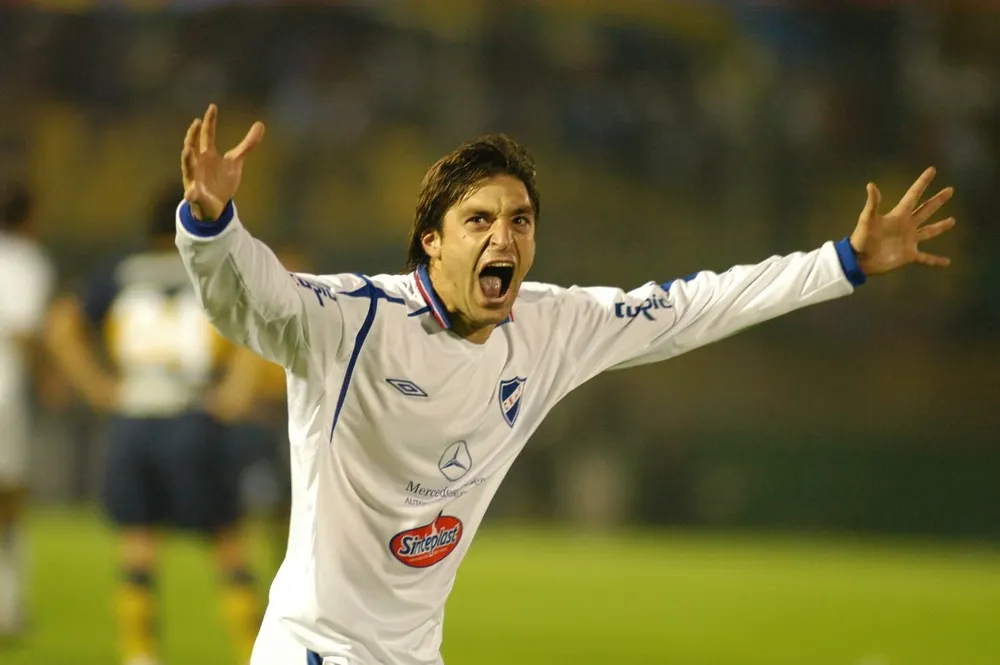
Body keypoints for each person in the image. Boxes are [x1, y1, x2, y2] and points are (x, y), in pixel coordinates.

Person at [175, 104, 957, 665]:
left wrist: (841, 264)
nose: (503, 235)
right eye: (478, 219)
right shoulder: (350, 319)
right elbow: (255, 298)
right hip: (318, 649)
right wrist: (212, 225)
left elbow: (690, 307)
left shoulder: (550, 326)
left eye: (519, 219)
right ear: (431, 240)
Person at [45, 187, 264, 665]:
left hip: (134, 419)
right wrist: (236, 392)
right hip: (193, 415)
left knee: (138, 544)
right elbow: (257, 325)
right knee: (227, 542)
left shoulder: (121, 273)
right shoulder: (209, 267)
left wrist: (98, 386)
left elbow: (61, 324)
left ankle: (140, 654)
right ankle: (255, 653)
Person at [0, 183, 56, 637]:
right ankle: (8, 608)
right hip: (4, 394)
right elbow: (21, 328)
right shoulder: (24, 262)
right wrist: (46, 373)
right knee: (9, 503)